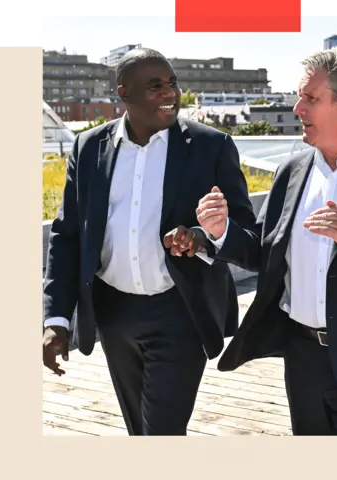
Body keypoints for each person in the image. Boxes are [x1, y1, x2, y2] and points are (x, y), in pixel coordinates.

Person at [185, 47, 337, 435]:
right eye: (299, 97)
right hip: (302, 359)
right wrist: (221, 233)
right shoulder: (291, 171)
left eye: (311, 99)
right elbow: (265, 254)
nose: (298, 108)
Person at [42, 48, 256, 436]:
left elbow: (248, 235)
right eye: (154, 86)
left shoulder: (211, 146)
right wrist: (57, 317)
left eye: (172, 83)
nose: (169, 93)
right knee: (138, 431)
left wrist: (204, 237)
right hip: (113, 313)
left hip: (181, 311)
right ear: (124, 94)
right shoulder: (89, 148)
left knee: (162, 433)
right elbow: (68, 235)